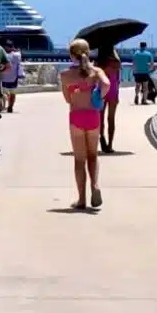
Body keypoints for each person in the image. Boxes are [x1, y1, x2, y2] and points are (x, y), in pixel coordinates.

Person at [61, 38, 110, 209]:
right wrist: (98, 96)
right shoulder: (96, 71)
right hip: (93, 116)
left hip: (76, 116)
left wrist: (77, 91)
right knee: (93, 156)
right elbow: (107, 84)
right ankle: (95, 186)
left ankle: (81, 199)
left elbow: (67, 99)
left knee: (79, 160)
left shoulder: (65, 75)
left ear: (71, 55)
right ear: (88, 53)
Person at [97, 45, 121, 153]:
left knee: (100, 118)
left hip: (101, 92)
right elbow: (118, 79)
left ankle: (102, 138)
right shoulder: (116, 64)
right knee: (111, 119)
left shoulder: (99, 64)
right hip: (113, 92)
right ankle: (110, 144)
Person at [1, 39, 24, 113]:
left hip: (4, 78)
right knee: (13, 93)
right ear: (12, 46)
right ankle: (10, 107)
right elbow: (19, 63)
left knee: (3, 93)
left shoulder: (3, 55)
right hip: (13, 78)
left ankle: (3, 106)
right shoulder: (17, 55)